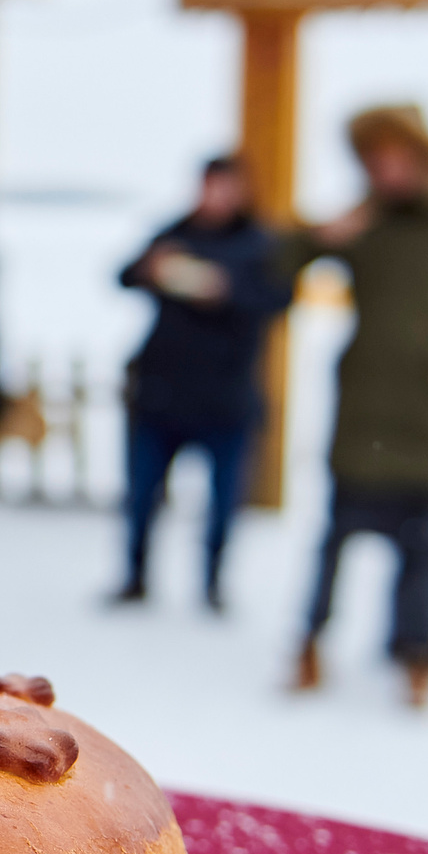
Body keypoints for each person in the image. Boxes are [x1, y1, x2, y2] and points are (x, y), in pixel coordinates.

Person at [280, 105, 428, 707]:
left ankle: (414, 652)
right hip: (362, 413)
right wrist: (320, 236)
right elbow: (277, 270)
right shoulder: (366, 225)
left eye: (396, 157)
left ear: (424, 156)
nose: (386, 171)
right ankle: (310, 643)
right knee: (337, 537)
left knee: (425, 544)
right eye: (373, 160)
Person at [111, 153, 289, 614]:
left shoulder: (261, 245)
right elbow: (123, 276)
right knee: (141, 497)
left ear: (242, 191)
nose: (215, 197)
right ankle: (134, 576)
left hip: (225, 399)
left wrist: (225, 290)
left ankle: (212, 584)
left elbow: (277, 299)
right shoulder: (175, 234)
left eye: (225, 187)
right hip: (160, 392)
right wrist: (152, 268)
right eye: (209, 186)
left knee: (223, 504)